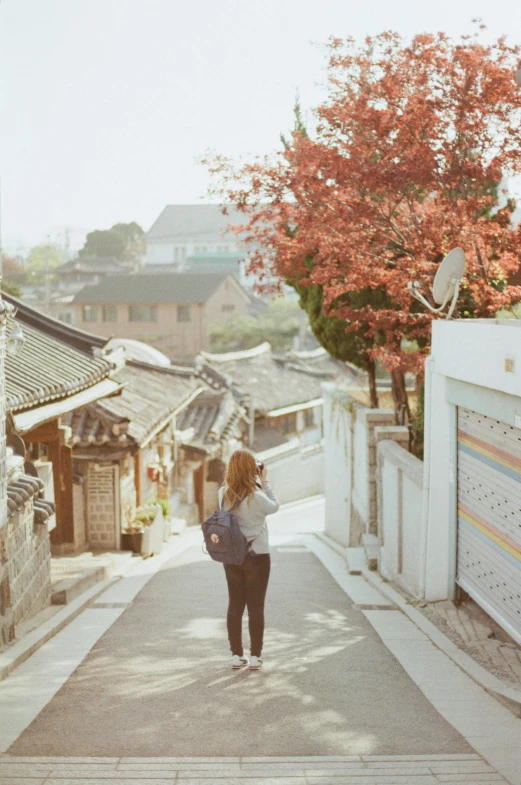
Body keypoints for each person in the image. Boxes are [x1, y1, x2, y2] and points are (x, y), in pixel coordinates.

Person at [218, 449, 279, 670]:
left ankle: (236, 655)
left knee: (235, 605)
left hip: (232, 556)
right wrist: (264, 480)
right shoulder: (259, 497)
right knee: (256, 606)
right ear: (251, 469)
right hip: (258, 557)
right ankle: (255, 656)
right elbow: (275, 505)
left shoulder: (223, 494)